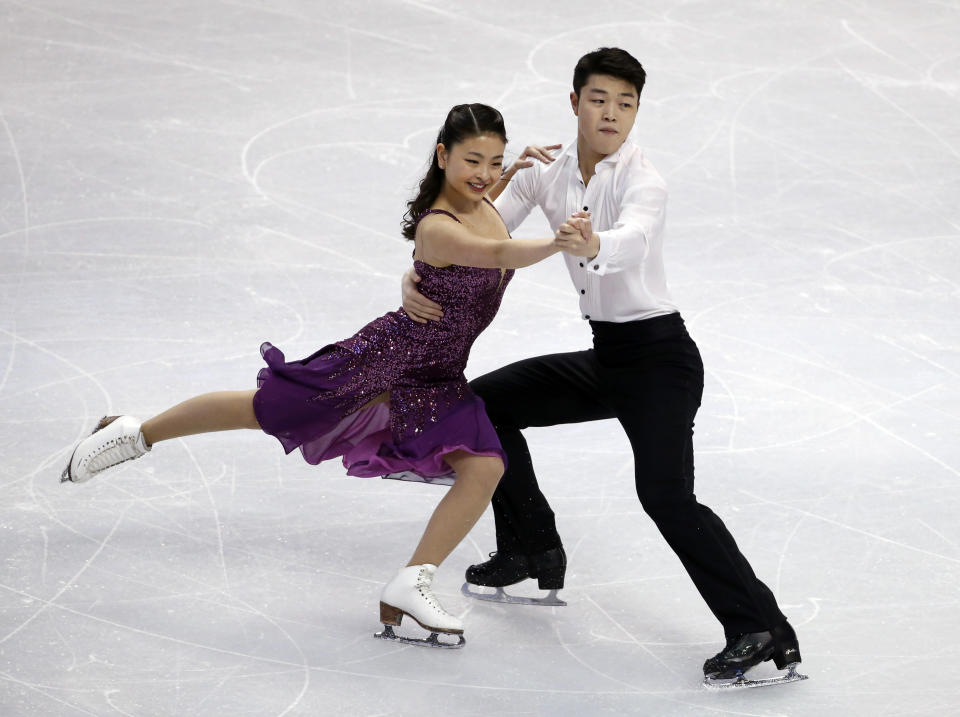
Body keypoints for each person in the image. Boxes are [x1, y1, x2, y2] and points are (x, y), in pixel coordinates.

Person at [61, 103, 584, 649]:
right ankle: (134, 432)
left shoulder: (482, 202)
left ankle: (413, 581)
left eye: (494, 160)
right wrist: (555, 244)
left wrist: (510, 173)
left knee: (484, 467)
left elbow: (490, 221)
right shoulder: (438, 226)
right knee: (261, 410)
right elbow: (495, 249)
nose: (483, 173)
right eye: (472, 160)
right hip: (382, 363)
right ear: (442, 155)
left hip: (437, 376)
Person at [401, 49, 805, 684]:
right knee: (483, 406)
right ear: (574, 103)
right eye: (599, 99)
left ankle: (762, 629)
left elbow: (634, 239)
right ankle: (531, 547)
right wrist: (415, 274)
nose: (612, 112)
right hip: (608, 355)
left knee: (667, 497)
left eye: (626, 102)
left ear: (637, 110)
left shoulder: (643, 179)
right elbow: (482, 239)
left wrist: (594, 244)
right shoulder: (548, 174)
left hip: (660, 360)